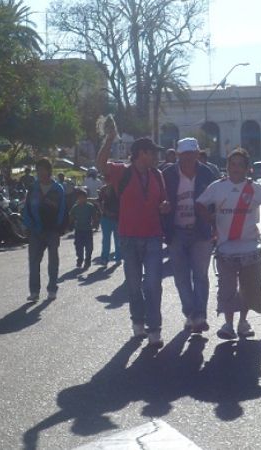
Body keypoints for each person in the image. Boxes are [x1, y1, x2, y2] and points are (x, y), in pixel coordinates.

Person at [196, 148, 261, 340]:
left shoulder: (254, 188)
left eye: (239, 165)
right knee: (227, 287)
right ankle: (228, 324)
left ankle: (243, 322)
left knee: (248, 286)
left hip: (249, 246)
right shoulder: (217, 187)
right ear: (227, 167)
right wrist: (210, 219)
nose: (235, 168)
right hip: (225, 247)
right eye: (231, 164)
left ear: (246, 168)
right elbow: (200, 203)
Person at [97, 129, 171, 348]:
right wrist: (109, 139)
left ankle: (155, 329)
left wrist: (165, 206)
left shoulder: (157, 175)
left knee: (152, 284)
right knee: (133, 284)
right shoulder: (123, 172)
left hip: (153, 237)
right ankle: (138, 322)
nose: (156, 157)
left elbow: (164, 201)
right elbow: (101, 165)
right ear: (141, 153)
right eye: (153, 153)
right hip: (129, 237)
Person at [162, 137, 218, 334]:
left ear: (197, 154)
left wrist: (216, 225)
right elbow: (159, 198)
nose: (188, 158)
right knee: (181, 277)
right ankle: (190, 313)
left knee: (201, 275)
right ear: (178, 155)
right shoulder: (167, 174)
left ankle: (200, 315)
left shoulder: (207, 173)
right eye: (184, 155)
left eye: (191, 154)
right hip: (176, 231)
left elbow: (216, 200)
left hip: (200, 230)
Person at [22, 158, 68, 302]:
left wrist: (59, 227)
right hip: (35, 231)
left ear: (49, 170)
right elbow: (27, 209)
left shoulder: (58, 189)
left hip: (52, 231)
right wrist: (29, 226)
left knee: (53, 261)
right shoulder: (33, 188)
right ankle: (34, 292)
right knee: (34, 262)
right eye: (38, 169)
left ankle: (52, 289)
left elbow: (62, 210)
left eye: (43, 169)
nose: (40, 172)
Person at [69, 188, 99, 269]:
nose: (81, 199)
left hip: (88, 229)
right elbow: (71, 216)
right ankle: (80, 259)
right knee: (78, 246)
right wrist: (69, 225)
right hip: (78, 229)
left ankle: (88, 259)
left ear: (86, 198)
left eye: (83, 197)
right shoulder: (75, 207)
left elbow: (95, 216)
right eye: (80, 197)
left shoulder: (90, 206)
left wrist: (95, 224)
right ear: (77, 198)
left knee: (89, 247)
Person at [97, 183, 122, 265]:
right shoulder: (103, 189)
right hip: (106, 218)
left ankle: (118, 257)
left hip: (117, 218)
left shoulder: (119, 188)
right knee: (106, 240)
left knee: (117, 240)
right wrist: (104, 211)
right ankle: (105, 258)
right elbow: (99, 202)